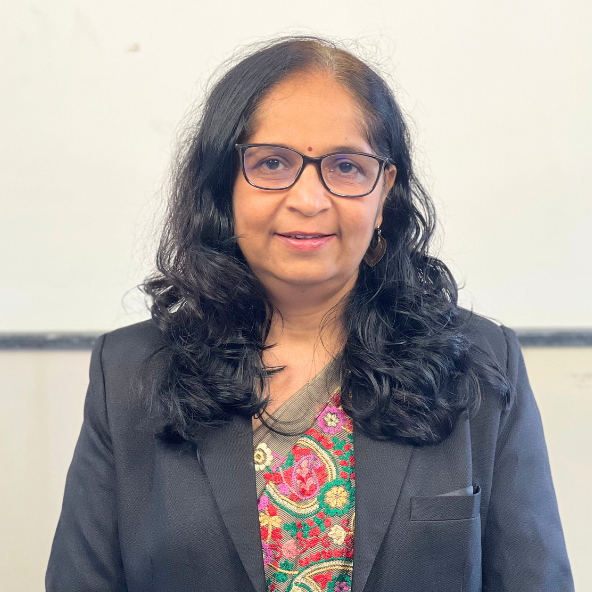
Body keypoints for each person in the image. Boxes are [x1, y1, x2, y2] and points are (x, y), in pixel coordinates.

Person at [46, 35, 574, 592]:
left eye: (345, 166)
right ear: (224, 184)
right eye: (273, 163)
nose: (308, 200)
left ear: (384, 191)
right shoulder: (130, 372)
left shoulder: (480, 364)